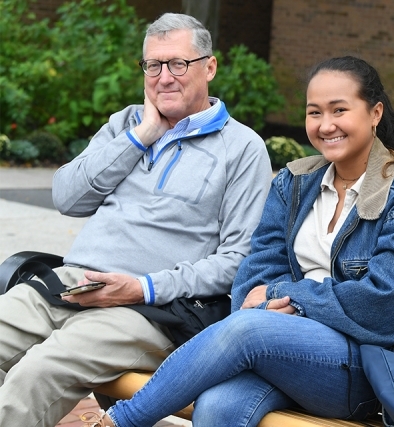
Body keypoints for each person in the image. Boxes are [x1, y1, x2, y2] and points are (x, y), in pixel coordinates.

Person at [82, 55, 394, 427]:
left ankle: (123, 420)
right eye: (314, 112)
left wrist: (296, 300)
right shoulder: (294, 184)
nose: (326, 124)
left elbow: (386, 308)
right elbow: (253, 277)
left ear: (374, 114)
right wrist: (276, 302)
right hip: (288, 351)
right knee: (218, 407)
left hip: (375, 368)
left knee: (247, 330)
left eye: (340, 110)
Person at [0, 13, 272, 427]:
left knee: (37, 373)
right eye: (154, 65)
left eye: (178, 63)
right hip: (72, 284)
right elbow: (66, 197)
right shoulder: (125, 125)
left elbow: (237, 260)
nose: (164, 77)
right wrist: (140, 136)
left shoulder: (242, 149)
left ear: (209, 67)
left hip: (148, 311)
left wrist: (142, 287)